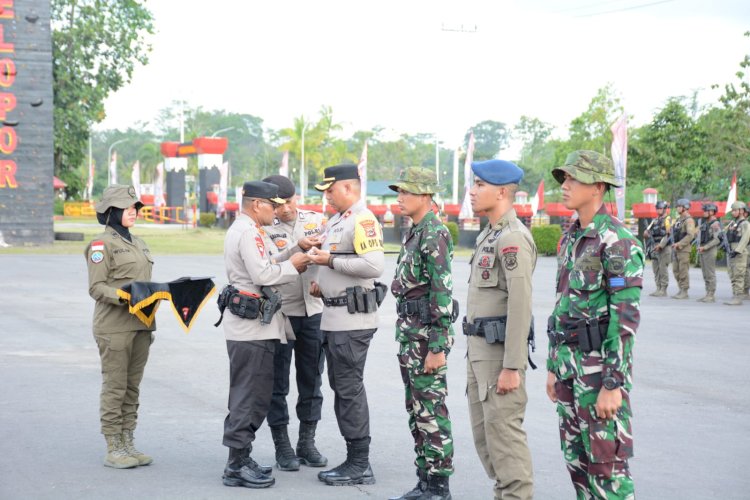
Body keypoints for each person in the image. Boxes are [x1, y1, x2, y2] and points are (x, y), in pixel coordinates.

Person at [546, 150, 643, 499]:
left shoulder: (617, 241)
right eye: (564, 178)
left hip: (598, 374)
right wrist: (553, 367)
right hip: (570, 372)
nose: (565, 185)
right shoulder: (572, 237)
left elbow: (625, 318)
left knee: (608, 474)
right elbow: (563, 307)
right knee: (578, 468)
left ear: (598, 187)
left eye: (574, 179)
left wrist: (613, 383)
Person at [220, 181, 311, 489]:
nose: (277, 210)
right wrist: (295, 267)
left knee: (253, 393)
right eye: (272, 205)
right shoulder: (248, 232)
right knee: (249, 394)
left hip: (253, 326)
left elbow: (269, 263)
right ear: (257, 205)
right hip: (250, 330)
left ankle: (241, 457)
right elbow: (263, 275)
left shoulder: (250, 230)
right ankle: (236, 463)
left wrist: (297, 250)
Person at [307, 164, 385, 486]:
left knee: (349, 389)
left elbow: (373, 266)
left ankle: (359, 463)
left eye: (330, 189)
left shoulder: (362, 219)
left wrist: (329, 261)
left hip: (352, 320)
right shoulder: (337, 221)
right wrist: (322, 282)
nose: (326, 195)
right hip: (335, 317)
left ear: (349, 188)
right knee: (342, 388)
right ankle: (354, 459)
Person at [464, 159, 536, 500]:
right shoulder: (490, 235)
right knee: (487, 442)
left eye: (480, 185)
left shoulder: (512, 239)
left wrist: (512, 366)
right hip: (480, 355)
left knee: (505, 442)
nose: (473, 191)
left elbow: (521, 306)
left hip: (498, 360)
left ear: (503, 192)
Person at [388, 167, 455, 500]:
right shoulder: (415, 231)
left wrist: (438, 346)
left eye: (406, 192)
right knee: (416, 410)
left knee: (431, 410)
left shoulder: (434, 232)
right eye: (399, 192)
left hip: (426, 338)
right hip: (410, 335)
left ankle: (439, 486)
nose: (400, 198)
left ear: (426, 196)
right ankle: (425, 480)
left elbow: (442, 293)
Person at [261, 174, 328, 471]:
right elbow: (262, 267)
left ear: (296, 196)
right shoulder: (262, 228)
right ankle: (283, 446)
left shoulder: (317, 220)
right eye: (278, 204)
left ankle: (306, 442)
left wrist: (324, 284)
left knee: (311, 381)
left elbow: (333, 255)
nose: (285, 209)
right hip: (281, 314)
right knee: (277, 385)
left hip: (313, 312)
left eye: (289, 201)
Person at [86, 184, 155, 469]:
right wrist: (125, 297)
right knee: (115, 387)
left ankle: (128, 441)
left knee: (132, 387)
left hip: (141, 325)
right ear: (111, 212)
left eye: (135, 207)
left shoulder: (138, 243)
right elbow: (96, 287)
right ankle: (113, 445)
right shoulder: (101, 245)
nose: (133, 211)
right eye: (126, 207)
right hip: (114, 327)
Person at [663, 198, 696, 299]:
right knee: (675, 270)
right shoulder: (678, 220)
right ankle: (680, 288)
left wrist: (679, 244)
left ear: (685, 208)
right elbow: (672, 233)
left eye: (679, 206)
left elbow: (690, 235)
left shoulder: (689, 220)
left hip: (684, 249)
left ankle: (684, 291)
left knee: (683, 270)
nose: (677, 208)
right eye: (677, 206)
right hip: (676, 248)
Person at [724, 201, 749, 306]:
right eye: (732, 210)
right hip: (731, 251)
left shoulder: (745, 224)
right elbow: (724, 233)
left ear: (742, 211)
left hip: (739, 253)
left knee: (738, 275)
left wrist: (737, 250)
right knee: (732, 275)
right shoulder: (733, 223)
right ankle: (735, 295)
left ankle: (738, 297)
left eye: (735, 210)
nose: (733, 212)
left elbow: (745, 239)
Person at [696, 203, 722, 303]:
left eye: (706, 211)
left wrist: (705, 247)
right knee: (705, 273)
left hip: (709, 250)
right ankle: (707, 293)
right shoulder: (704, 223)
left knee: (710, 273)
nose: (704, 213)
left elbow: (717, 240)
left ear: (712, 212)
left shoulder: (715, 224)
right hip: (703, 249)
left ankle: (711, 294)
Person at [644, 200, 671, 297]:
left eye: (660, 208)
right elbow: (646, 232)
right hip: (654, 246)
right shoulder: (654, 220)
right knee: (656, 268)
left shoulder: (668, 219)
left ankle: (663, 289)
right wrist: (646, 233)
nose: (659, 210)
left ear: (664, 209)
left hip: (664, 247)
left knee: (663, 268)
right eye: (657, 208)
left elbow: (668, 234)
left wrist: (661, 245)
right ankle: (658, 288)